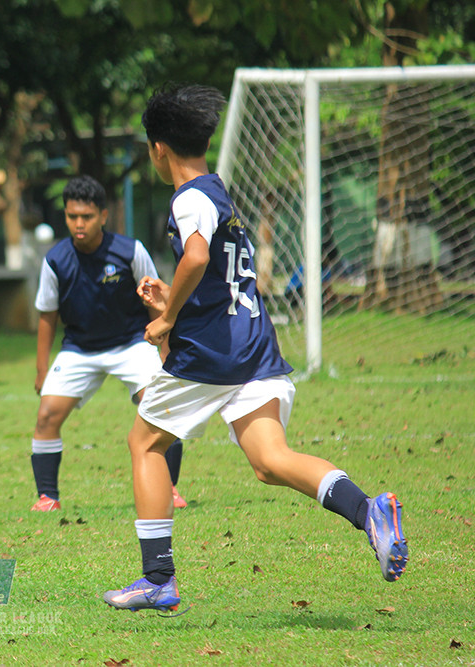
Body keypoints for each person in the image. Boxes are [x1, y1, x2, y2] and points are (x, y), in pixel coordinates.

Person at [102, 84, 407, 612]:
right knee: (269, 459)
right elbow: (216, 273)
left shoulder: (189, 197)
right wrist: (168, 302)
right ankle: (370, 511)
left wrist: (168, 316)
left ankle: (157, 579)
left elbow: (196, 257)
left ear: (158, 149)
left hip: (213, 355)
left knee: (145, 444)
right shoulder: (217, 190)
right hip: (255, 346)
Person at [31, 175, 186, 512]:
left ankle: (169, 488)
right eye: (72, 217)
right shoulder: (55, 260)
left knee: (161, 406)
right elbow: (47, 315)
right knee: (46, 417)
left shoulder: (131, 251)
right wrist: (42, 369)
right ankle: (47, 497)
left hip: (131, 342)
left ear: (103, 215)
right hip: (79, 348)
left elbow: (154, 302)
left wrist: (164, 349)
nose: (78, 224)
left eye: (86, 217)